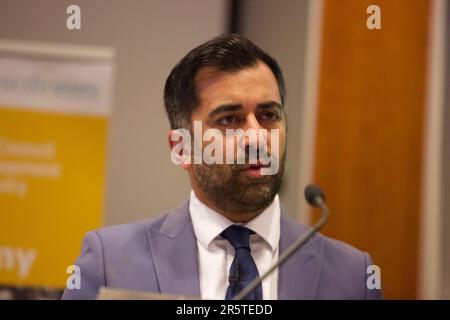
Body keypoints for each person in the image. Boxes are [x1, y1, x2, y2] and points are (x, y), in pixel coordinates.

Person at [62, 34, 382, 300]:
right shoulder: (111, 263)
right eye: (229, 120)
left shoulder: (353, 276)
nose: (257, 137)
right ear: (182, 148)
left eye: (268, 115)